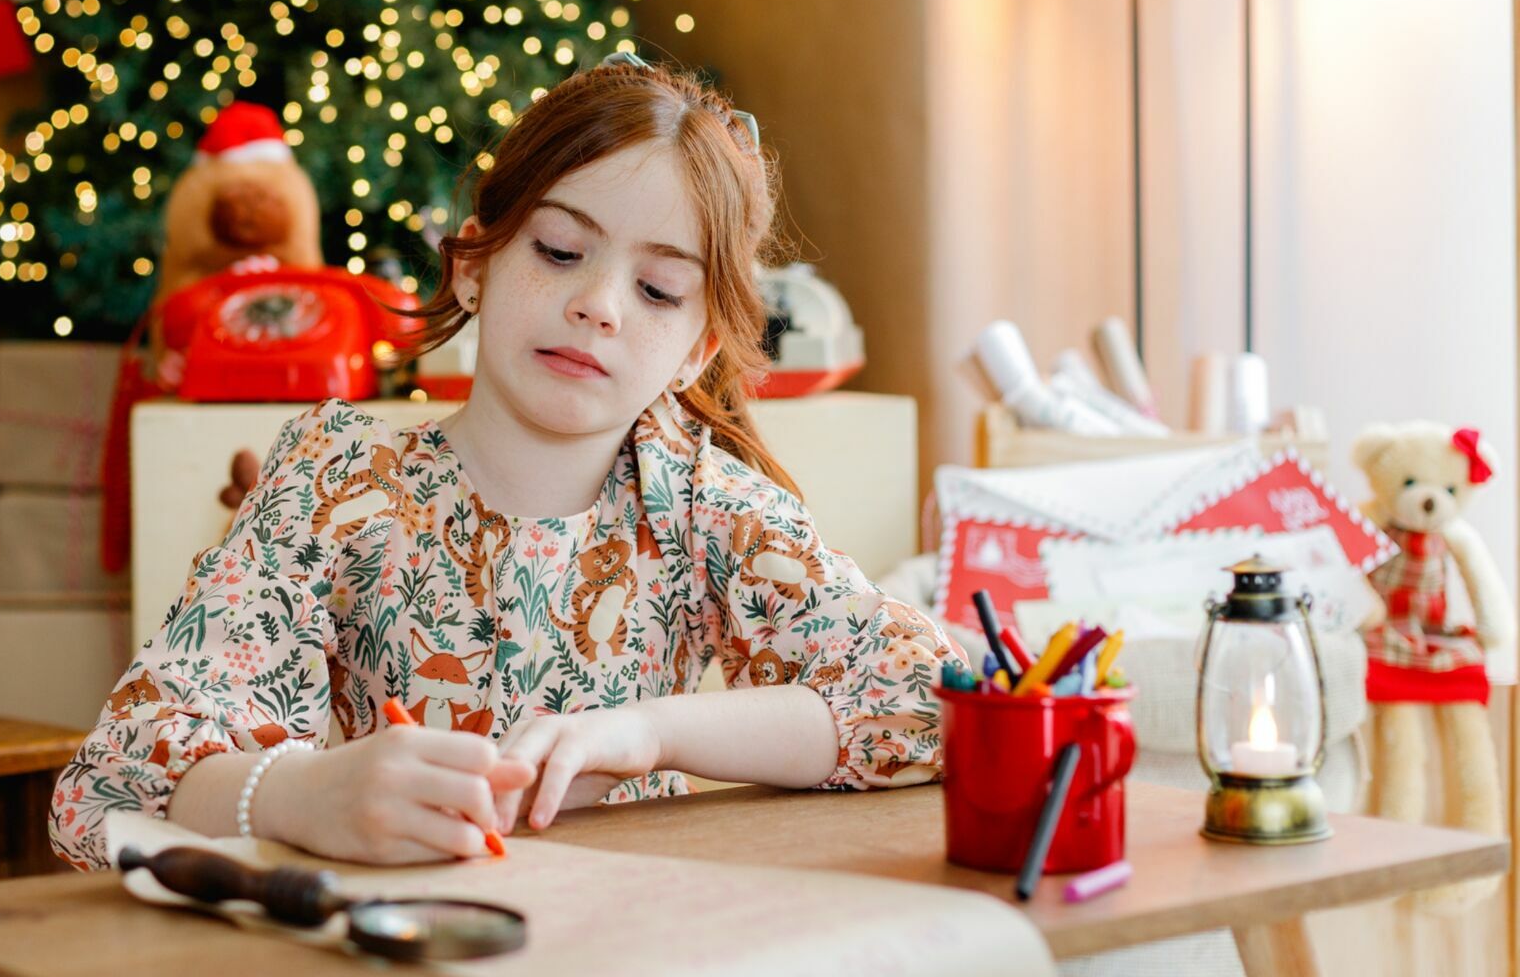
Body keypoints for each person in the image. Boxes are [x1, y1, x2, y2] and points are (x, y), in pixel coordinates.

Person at [51, 53, 961, 870]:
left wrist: (651, 732)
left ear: (698, 347)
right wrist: (298, 796)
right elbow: (115, 780)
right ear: (476, 262)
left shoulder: (702, 501)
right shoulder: (335, 484)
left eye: (658, 289)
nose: (600, 305)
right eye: (560, 250)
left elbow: (937, 701)